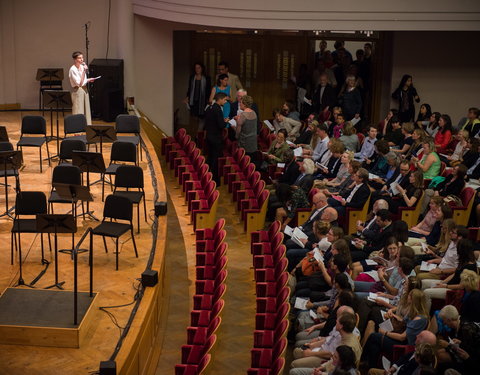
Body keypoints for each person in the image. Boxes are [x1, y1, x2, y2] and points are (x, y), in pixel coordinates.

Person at [361, 289, 429, 368]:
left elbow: (402, 337)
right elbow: (403, 322)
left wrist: (385, 333)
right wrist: (393, 316)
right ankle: (370, 365)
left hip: (404, 345)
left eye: (410, 296)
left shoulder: (419, 319)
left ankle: (363, 360)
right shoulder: (413, 311)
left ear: (414, 300)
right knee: (375, 342)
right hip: (401, 337)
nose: (408, 297)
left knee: (374, 337)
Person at [367, 331, 437, 375]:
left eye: (420, 336)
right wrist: (394, 367)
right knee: (372, 371)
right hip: (395, 370)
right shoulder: (419, 351)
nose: (416, 336)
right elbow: (404, 357)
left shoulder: (420, 370)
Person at [204, 92, 227, 184]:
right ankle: (214, 181)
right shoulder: (218, 109)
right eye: (224, 100)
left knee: (210, 158)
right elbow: (221, 125)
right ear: (220, 99)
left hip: (209, 136)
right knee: (216, 160)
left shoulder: (210, 108)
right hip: (216, 138)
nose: (225, 102)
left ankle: (207, 177)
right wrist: (225, 122)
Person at [184, 62, 211, 130]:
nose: (197, 69)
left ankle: (199, 134)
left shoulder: (207, 78)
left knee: (202, 118)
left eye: (199, 68)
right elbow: (189, 89)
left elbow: (208, 90)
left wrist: (209, 100)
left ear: (202, 69)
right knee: (194, 118)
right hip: (194, 101)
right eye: (196, 68)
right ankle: (195, 133)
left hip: (203, 101)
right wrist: (187, 97)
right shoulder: (192, 77)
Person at [69, 51, 94, 124]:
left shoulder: (81, 67)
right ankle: (77, 128)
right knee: (78, 110)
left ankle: (86, 127)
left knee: (86, 110)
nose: (82, 59)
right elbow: (79, 83)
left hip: (84, 89)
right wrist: (84, 71)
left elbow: (83, 81)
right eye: (79, 58)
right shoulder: (72, 69)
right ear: (75, 59)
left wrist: (89, 80)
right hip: (78, 90)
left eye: (82, 57)